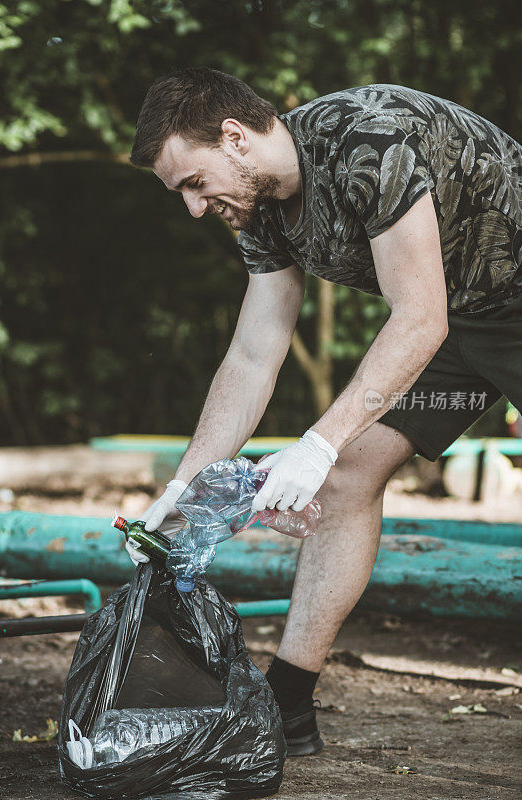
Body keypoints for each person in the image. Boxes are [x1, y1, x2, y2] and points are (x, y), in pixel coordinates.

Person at [128, 68, 522, 756]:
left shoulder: (366, 140)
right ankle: (288, 706)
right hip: (457, 313)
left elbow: (417, 315)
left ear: (233, 138)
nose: (194, 208)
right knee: (345, 477)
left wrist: (314, 441)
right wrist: (182, 487)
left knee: (329, 454)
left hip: (481, 303)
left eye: (194, 183)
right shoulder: (257, 209)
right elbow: (254, 353)